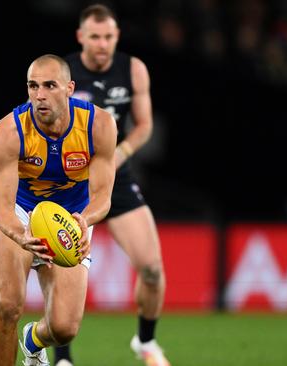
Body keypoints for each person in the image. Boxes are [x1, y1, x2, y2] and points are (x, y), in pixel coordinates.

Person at [55, 5, 171, 366]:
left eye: (108, 36)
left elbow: (144, 125)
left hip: (116, 178)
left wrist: (121, 153)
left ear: (117, 36)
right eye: (94, 37)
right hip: (68, 181)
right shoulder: (64, 72)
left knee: (152, 268)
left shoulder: (133, 69)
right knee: (63, 269)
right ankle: (62, 357)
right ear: (81, 38)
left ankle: (146, 343)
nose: (102, 44)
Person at [0, 54, 117, 366]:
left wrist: (84, 220)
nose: (40, 95)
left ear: (70, 88)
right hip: (21, 210)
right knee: (7, 305)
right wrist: (21, 236)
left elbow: (102, 196)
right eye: (33, 86)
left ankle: (33, 340)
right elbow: (4, 209)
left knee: (64, 328)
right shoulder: (7, 132)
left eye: (49, 85)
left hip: (73, 214)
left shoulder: (98, 126)